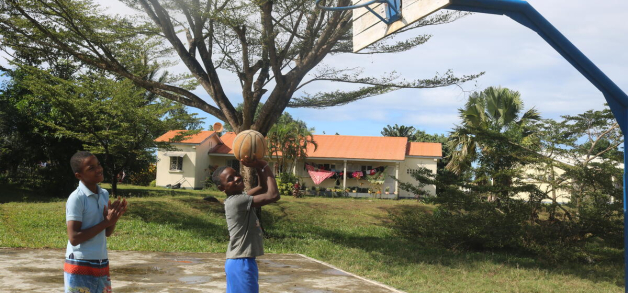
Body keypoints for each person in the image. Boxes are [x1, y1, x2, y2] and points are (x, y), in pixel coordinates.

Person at [212, 157, 280, 293]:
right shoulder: (238, 201)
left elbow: (262, 187)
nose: (237, 178)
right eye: (230, 179)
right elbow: (273, 195)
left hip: (239, 261)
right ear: (222, 188)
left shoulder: (237, 198)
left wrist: (257, 167)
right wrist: (263, 164)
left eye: (236, 174)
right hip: (241, 262)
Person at [64, 151, 128, 293]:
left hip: (101, 261)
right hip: (80, 262)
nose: (98, 169)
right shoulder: (77, 198)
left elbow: (107, 232)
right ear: (79, 175)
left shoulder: (104, 194)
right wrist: (106, 222)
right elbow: (74, 238)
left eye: (98, 164)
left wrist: (114, 219)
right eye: (91, 168)